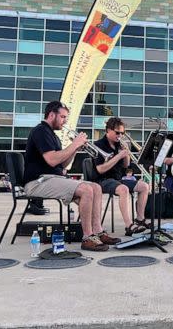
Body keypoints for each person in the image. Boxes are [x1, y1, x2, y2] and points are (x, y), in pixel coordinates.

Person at [23, 101, 118, 251]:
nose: (65, 121)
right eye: (62, 117)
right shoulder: (41, 131)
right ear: (51, 115)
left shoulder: (53, 136)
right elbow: (52, 159)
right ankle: (87, 238)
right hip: (38, 181)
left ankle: (98, 231)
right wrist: (74, 145)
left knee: (96, 188)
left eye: (66, 117)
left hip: (53, 178)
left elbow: (62, 164)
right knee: (87, 189)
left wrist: (75, 148)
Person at [93, 117, 151, 236]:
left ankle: (140, 219)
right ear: (108, 130)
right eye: (117, 132)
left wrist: (126, 154)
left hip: (117, 180)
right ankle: (129, 225)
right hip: (102, 180)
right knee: (123, 189)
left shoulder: (119, 145)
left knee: (144, 186)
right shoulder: (98, 145)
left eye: (122, 133)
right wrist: (118, 156)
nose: (120, 135)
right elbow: (100, 169)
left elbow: (126, 166)